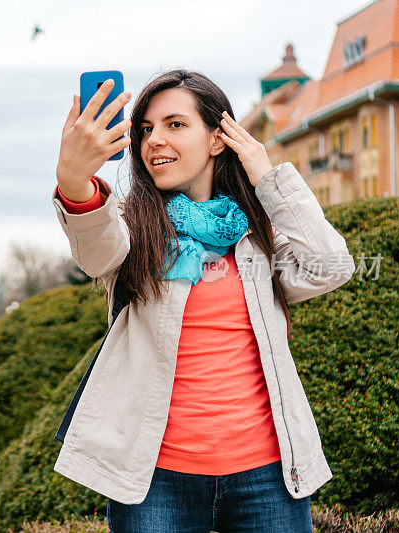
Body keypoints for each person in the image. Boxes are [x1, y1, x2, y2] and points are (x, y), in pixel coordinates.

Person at [52, 69, 355, 532]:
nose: (155, 140)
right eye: (146, 130)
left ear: (218, 140)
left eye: (175, 124)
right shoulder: (133, 229)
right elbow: (96, 251)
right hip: (156, 480)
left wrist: (269, 179)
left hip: (267, 474)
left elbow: (329, 267)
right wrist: (74, 182)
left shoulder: (257, 232)